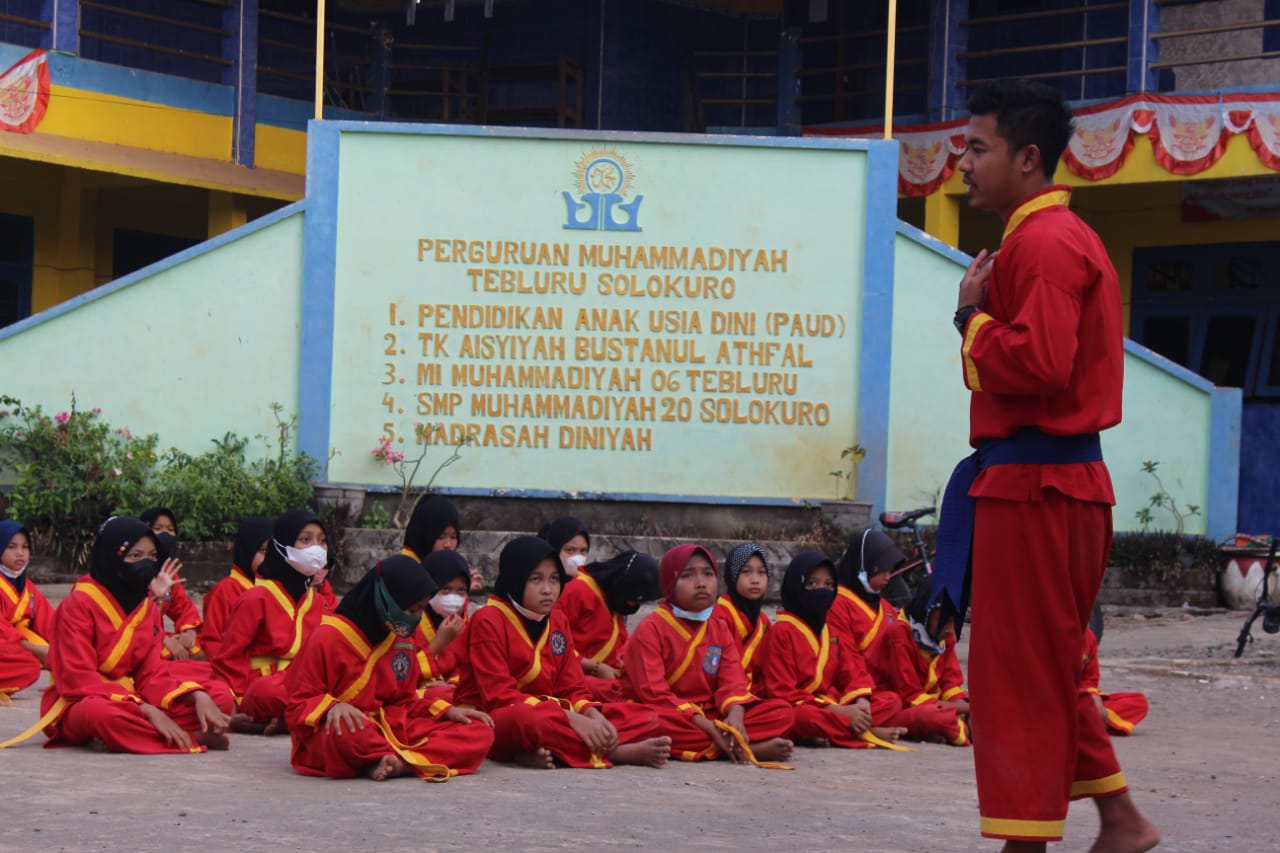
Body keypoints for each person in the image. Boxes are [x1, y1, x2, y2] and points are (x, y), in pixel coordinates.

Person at [938, 78, 1158, 850]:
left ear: (1027, 158)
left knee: (1014, 673)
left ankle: (1025, 841)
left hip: (1037, 486)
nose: (962, 161)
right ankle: (1121, 820)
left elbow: (1040, 362)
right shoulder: (1058, 237)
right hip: (1054, 480)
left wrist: (969, 319)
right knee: (1052, 662)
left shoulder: (1042, 242)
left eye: (977, 147)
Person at [454, 535, 670, 769]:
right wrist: (570, 718)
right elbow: (500, 697)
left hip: (554, 713)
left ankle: (543, 752)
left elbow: (572, 686)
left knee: (648, 717)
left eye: (554, 579)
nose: (548, 590)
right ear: (516, 579)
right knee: (530, 722)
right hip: (500, 714)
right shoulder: (487, 620)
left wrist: (590, 714)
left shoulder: (557, 619)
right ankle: (616, 753)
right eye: (536, 579)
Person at [31, 517, 232, 753]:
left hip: (134, 696)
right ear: (112, 558)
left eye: (151, 557)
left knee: (219, 698)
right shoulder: (78, 605)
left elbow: (152, 674)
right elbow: (78, 680)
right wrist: (145, 709)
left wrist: (196, 695)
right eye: (135, 556)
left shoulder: (145, 607)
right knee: (103, 716)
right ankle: (192, 736)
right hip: (83, 699)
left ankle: (133, 735)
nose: (145, 564)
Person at [284, 555, 494, 781]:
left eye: (421, 610)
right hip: (345, 729)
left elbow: (407, 701)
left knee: (479, 730)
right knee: (346, 734)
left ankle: (397, 762)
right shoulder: (327, 636)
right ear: (385, 598)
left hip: (392, 726)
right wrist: (332, 707)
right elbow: (297, 702)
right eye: (411, 609)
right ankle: (392, 757)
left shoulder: (402, 637)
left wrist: (446, 712)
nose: (415, 618)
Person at [621, 543, 795, 766]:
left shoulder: (718, 627)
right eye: (688, 575)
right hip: (673, 713)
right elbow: (655, 695)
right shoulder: (651, 628)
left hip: (712, 713)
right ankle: (745, 747)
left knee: (783, 713)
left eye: (708, 574)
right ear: (669, 583)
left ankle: (727, 741)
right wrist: (710, 728)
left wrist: (735, 716)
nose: (701, 583)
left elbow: (733, 681)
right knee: (650, 721)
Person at [760, 551, 907, 749]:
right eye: (812, 584)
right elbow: (782, 692)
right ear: (796, 586)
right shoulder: (782, 631)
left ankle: (841, 729)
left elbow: (851, 667)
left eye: (828, 585)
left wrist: (860, 701)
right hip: (802, 706)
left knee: (892, 700)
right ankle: (866, 732)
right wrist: (838, 711)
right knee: (798, 716)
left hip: (832, 702)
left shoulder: (830, 629)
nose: (822, 590)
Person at [213, 509, 329, 734]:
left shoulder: (319, 603)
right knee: (268, 692)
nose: (317, 548)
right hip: (260, 686)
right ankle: (292, 718)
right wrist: (237, 701)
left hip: (300, 684)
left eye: (322, 541)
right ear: (283, 545)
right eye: (306, 540)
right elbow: (230, 657)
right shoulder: (256, 598)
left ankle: (285, 719)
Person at [864, 576, 969, 746]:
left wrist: (965, 707)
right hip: (890, 703)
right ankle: (954, 728)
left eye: (955, 621)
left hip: (926, 704)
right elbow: (910, 695)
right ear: (926, 613)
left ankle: (929, 728)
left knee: (976, 712)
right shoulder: (899, 633)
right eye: (942, 620)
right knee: (934, 716)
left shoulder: (945, 636)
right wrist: (968, 709)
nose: (950, 629)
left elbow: (951, 684)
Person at [554, 550, 661, 702]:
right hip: (573, 677)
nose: (633, 605)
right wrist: (596, 667)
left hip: (609, 678)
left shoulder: (614, 600)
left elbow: (620, 645)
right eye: (634, 599)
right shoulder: (576, 591)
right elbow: (552, 646)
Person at [198, 515, 273, 659]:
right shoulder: (225, 590)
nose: (270, 558)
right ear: (247, 551)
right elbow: (212, 642)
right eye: (263, 551)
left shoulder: (276, 588)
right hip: (236, 669)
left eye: (274, 552)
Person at [140, 508, 204, 663]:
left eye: (170, 530)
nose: (165, 534)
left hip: (158, 635)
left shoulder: (168, 572)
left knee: (199, 651)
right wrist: (162, 639)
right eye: (158, 529)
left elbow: (183, 609)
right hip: (139, 638)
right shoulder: (135, 571)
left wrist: (188, 633)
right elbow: (131, 620)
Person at [830, 528, 908, 654]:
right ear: (865, 565)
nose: (888, 577)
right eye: (883, 570)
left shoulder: (886, 608)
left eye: (890, 571)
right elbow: (844, 656)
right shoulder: (836, 604)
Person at [0, 521, 53, 701]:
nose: (20, 553)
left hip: (14, 641)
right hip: (5, 641)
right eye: (12, 547)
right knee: (29, 666)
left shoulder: (27, 587)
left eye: (25, 547)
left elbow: (50, 623)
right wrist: (35, 651)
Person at [711, 543, 771, 693]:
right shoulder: (720, 615)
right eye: (746, 572)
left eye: (761, 572)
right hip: (725, 690)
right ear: (732, 576)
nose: (755, 580)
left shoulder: (763, 621)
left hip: (754, 691)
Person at [412, 549, 473, 690]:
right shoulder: (409, 621)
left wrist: (452, 684)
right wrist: (439, 643)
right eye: (445, 589)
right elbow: (399, 675)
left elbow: (465, 667)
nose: (453, 597)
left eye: (461, 591)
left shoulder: (461, 622)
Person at [402, 494, 483, 591]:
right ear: (424, 535)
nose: (448, 545)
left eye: (453, 537)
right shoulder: (405, 570)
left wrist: (462, 587)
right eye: (441, 537)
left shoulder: (444, 568)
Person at [1081, 628, 1148, 737]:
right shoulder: (1048, 632)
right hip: (1052, 700)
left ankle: (1085, 723)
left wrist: (1092, 695)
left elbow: (1090, 679)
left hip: (1079, 700)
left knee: (1139, 702)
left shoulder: (1088, 637)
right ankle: (1086, 724)